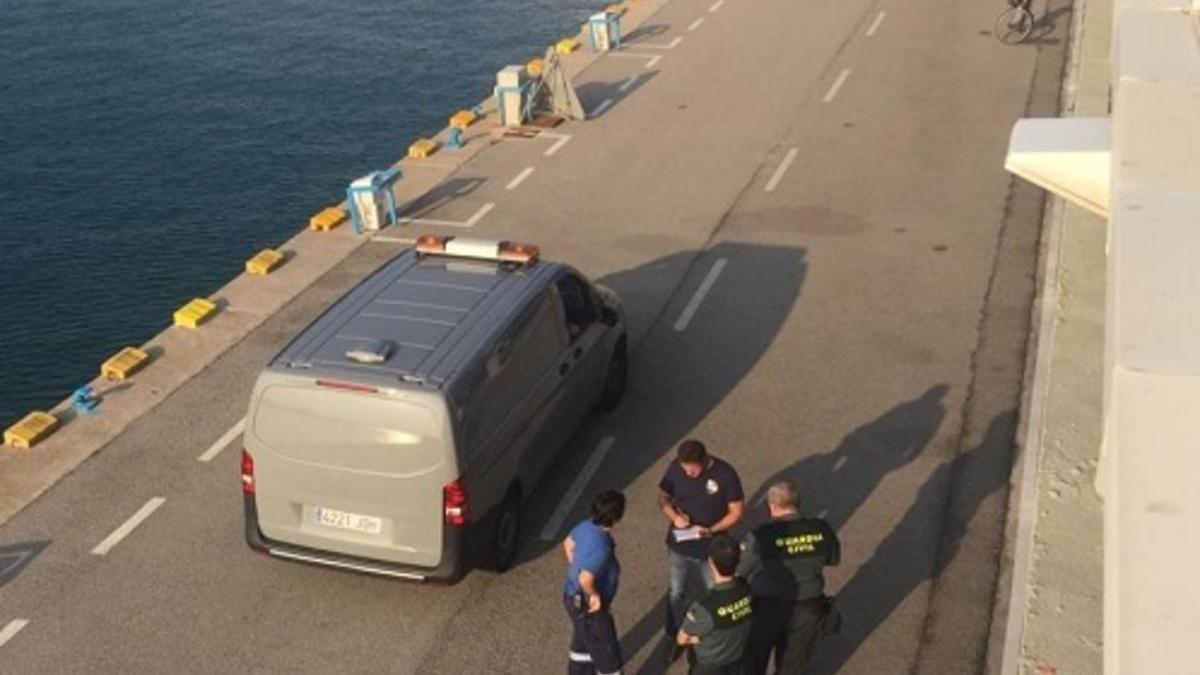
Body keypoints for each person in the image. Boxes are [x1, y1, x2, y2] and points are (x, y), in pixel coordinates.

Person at [738, 480, 840, 675]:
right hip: (807, 606)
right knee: (793, 663)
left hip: (766, 606)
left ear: (772, 506)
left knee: (755, 659)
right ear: (797, 502)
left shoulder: (762, 535)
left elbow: (742, 572)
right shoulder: (822, 529)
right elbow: (833, 560)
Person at [658, 439, 746, 664]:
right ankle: (675, 635)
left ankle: (704, 640)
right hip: (679, 545)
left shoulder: (726, 474)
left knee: (712, 597)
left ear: (704, 460)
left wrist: (712, 530)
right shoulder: (676, 468)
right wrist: (674, 516)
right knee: (676, 592)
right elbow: (663, 497)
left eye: (692, 470)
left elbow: (736, 511)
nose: (688, 474)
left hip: (711, 550)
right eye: (684, 469)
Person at [563, 490, 627, 675]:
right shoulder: (601, 546)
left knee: (582, 643)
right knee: (607, 652)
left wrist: (576, 565)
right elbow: (586, 578)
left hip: (572, 597)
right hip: (588, 606)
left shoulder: (585, 526)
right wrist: (594, 595)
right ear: (617, 516)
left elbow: (568, 544)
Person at [676, 534, 754, 674]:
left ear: (711, 562)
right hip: (737, 660)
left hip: (710, 666)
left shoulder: (704, 607)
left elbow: (682, 639)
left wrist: (696, 638)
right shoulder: (746, 589)